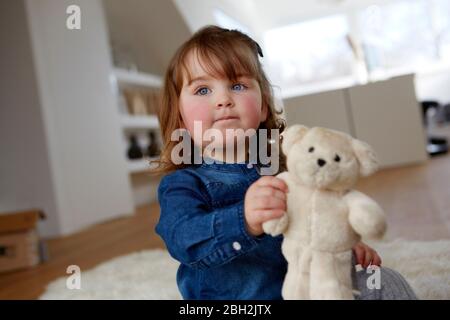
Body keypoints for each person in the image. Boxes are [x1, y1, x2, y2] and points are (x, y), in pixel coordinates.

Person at [154, 25, 417, 300]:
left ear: (264, 105)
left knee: (380, 281)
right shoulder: (183, 185)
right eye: (203, 89)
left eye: (237, 85)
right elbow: (183, 239)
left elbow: (317, 217)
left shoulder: (288, 171)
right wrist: (243, 219)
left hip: (305, 290)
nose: (223, 100)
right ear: (182, 118)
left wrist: (343, 243)